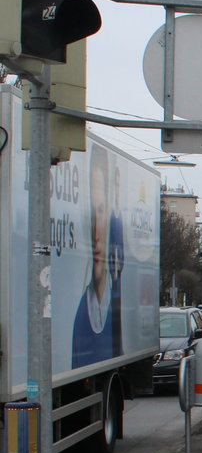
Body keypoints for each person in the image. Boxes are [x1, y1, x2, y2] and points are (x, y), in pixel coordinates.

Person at [72, 152, 120, 367]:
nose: (96, 231)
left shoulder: (119, 307)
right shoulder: (80, 316)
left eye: (101, 213)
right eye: (92, 215)